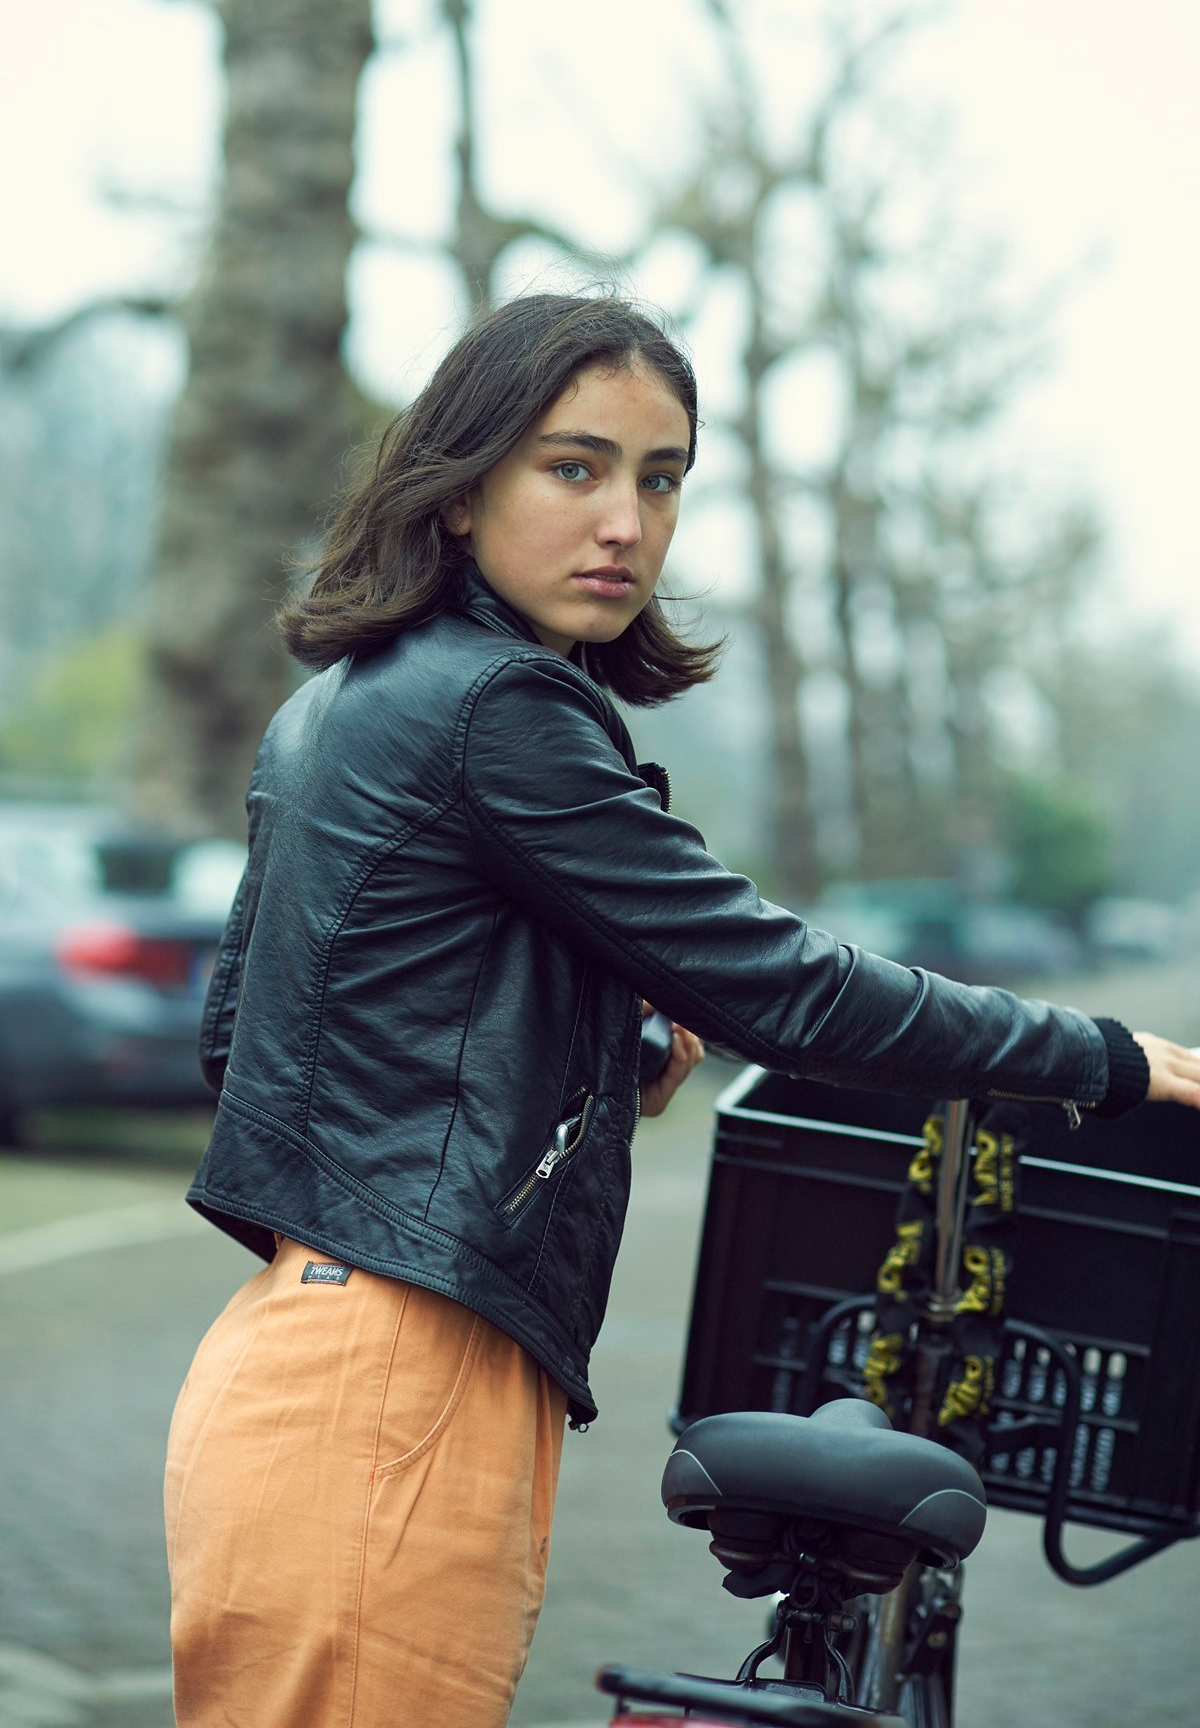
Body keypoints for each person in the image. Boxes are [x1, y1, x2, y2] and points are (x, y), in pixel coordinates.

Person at [163, 291, 1200, 1728]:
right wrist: (1097, 1055)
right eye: (573, 467)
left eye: (661, 479)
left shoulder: (353, 698)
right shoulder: (495, 711)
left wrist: (596, 1041)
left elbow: (260, 1038)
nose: (626, 525)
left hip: (307, 1347)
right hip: (396, 1376)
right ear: (459, 490)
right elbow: (787, 985)